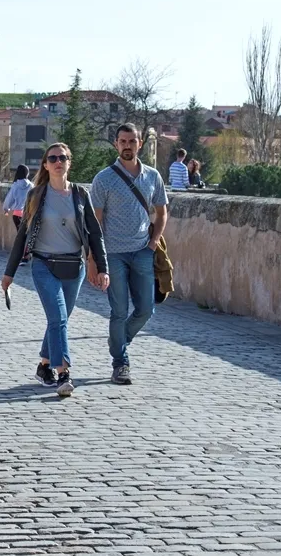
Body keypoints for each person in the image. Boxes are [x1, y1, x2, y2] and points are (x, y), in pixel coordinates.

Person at [1, 143, 109, 397]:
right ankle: (64, 373)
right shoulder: (36, 195)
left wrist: (102, 267)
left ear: (69, 162)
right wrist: (9, 273)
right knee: (58, 319)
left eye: (62, 157)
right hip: (43, 264)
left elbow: (95, 233)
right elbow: (22, 235)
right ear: (46, 165)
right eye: (53, 158)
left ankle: (44, 365)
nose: (58, 162)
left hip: (74, 267)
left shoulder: (80, 195)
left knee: (58, 320)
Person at [89, 123, 169, 385]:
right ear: (116, 144)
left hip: (143, 251)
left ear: (140, 144)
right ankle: (120, 362)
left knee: (146, 309)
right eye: (122, 141)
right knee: (119, 311)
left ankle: (119, 340)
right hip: (113, 254)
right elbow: (95, 222)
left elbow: (162, 212)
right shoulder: (104, 179)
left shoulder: (152, 176)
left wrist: (153, 242)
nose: (127, 146)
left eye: (132, 141)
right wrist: (94, 258)